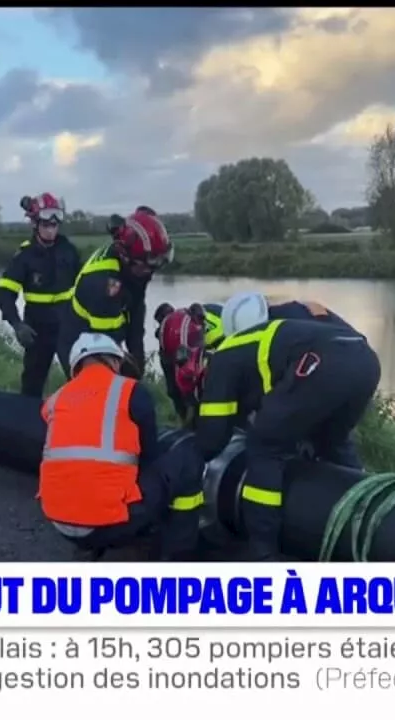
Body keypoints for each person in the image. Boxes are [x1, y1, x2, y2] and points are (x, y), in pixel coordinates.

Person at [187, 294, 381, 560]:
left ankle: (262, 549)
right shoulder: (287, 327)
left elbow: (213, 437)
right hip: (365, 362)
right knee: (330, 441)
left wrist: (191, 455)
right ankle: (368, 506)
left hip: (323, 363)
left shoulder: (229, 352)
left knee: (266, 447)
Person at [38, 333, 204, 560]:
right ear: (115, 361)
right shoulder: (131, 391)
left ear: (76, 366)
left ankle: (89, 547)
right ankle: (178, 555)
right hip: (110, 524)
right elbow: (150, 456)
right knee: (186, 459)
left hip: (59, 521)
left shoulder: (55, 400)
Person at [152, 294, 363, 423]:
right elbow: (175, 388)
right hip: (353, 356)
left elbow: (239, 377)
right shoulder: (173, 334)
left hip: (326, 366)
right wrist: (187, 416)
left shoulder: (231, 335)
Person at [57, 207, 173, 380]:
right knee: (98, 394)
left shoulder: (136, 268)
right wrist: (129, 375)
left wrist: (138, 364)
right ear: (127, 258)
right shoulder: (104, 284)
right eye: (149, 265)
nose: (152, 272)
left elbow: (136, 314)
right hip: (81, 344)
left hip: (103, 336)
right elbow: (107, 347)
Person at [0, 192, 81, 397]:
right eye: (46, 224)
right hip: (37, 331)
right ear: (35, 224)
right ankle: (27, 423)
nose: (51, 228)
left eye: (55, 224)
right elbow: (5, 295)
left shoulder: (69, 251)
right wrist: (17, 324)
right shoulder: (24, 257)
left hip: (67, 327)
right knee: (32, 384)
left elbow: (85, 288)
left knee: (81, 380)